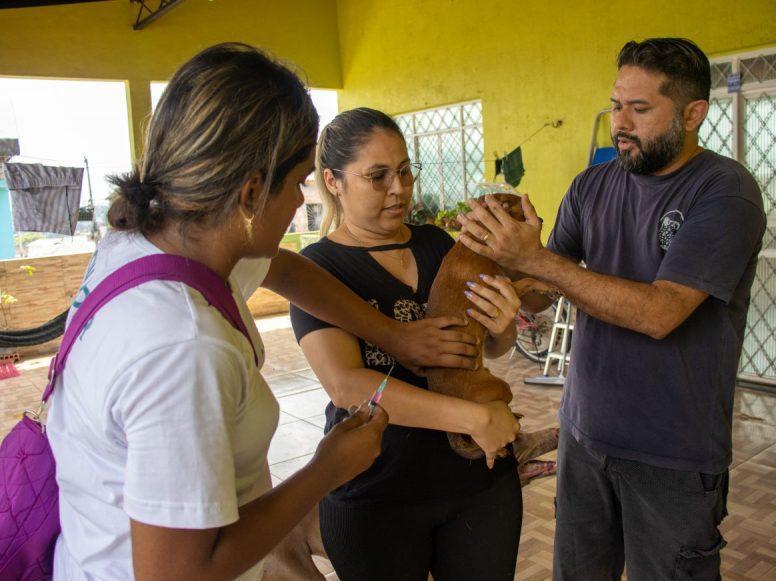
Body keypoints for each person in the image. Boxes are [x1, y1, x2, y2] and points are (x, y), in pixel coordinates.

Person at [46, 44, 480, 581]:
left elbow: (282, 268)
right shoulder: (181, 346)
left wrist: (394, 336)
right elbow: (178, 573)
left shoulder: (156, 242)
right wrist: (325, 471)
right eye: (299, 180)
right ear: (251, 192)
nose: (303, 200)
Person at [458, 38, 765, 580]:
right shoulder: (593, 185)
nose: (620, 123)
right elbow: (549, 286)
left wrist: (539, 263)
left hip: (673, 452)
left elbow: (661, 313)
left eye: (640, 109)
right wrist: (504, 272)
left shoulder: (724, 192)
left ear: (693, 114)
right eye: (616, 105)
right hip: (585, 434)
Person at [290, 108, 523, 580]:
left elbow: (486, 349)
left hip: (478, 477)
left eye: (404, 171)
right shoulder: (318, 269)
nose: (399, 189)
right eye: (377, 177)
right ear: (333, 182)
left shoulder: (438, 245)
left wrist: (502, 325)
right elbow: (347, 385)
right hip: (378, 490)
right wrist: (474, 416)